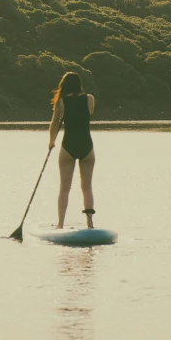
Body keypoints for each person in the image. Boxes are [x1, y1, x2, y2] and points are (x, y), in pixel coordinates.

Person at [49, 71, 96, 229]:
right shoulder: (89, 98)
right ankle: (90, 225)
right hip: (86, 146)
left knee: (64, 188)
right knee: (87, 187)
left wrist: (50, 142)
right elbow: (90, 112)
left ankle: (60, 224)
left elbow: (54, 124)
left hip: (68, 146)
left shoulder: (61, 102)